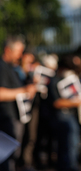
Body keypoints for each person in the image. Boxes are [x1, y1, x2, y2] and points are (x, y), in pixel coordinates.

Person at [0, 36, 37, 171]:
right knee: (7, 158)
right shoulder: (2, 67)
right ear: (8, 50)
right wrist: (24, 90)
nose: (21, 55)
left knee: (12, 157)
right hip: (7, 119)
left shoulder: (10, 67)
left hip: (14, 117)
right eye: (19, 51)